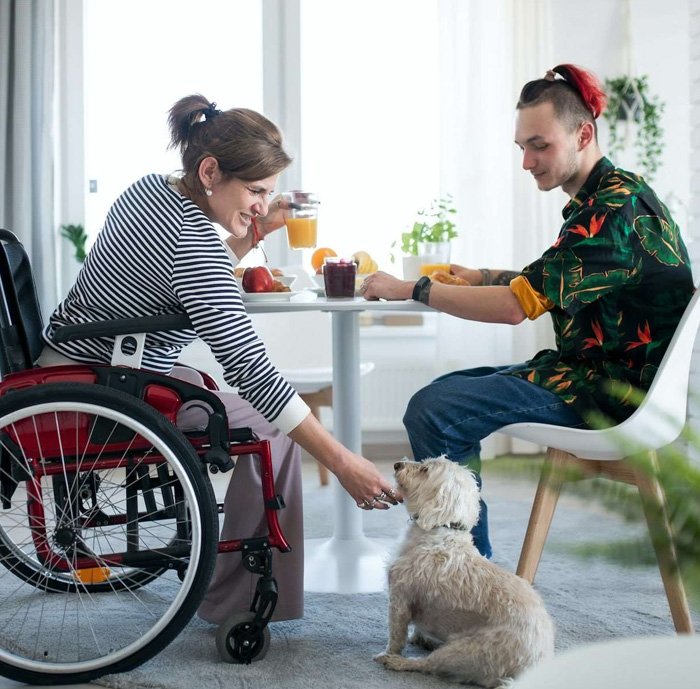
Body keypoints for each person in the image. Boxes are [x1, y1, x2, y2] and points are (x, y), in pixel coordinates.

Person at [38, 94, 401, 623]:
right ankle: (237, 605)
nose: (262, 203)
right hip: (104, 389)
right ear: (210, 171)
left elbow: (184, 275)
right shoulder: (193, 238)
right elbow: (249, 365)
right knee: (272, 430)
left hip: (72, 361)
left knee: (239, 402)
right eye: (255, 191)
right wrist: (343, 462)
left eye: (269, 193)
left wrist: (256, 226)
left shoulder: (154, 190)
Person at [360, 64, 694, 559]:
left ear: (583, 133)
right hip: (593, 372)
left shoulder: (613, 211)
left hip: (613, 393)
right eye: (522, 148)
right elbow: (548, 282)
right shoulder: (612, 195)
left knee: (436, 410)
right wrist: (481, 276)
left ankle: (467, 576)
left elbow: (517, 307)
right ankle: (467, 567)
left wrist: (411, 288)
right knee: (438, 399)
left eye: (540, 145)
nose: (527, 162)